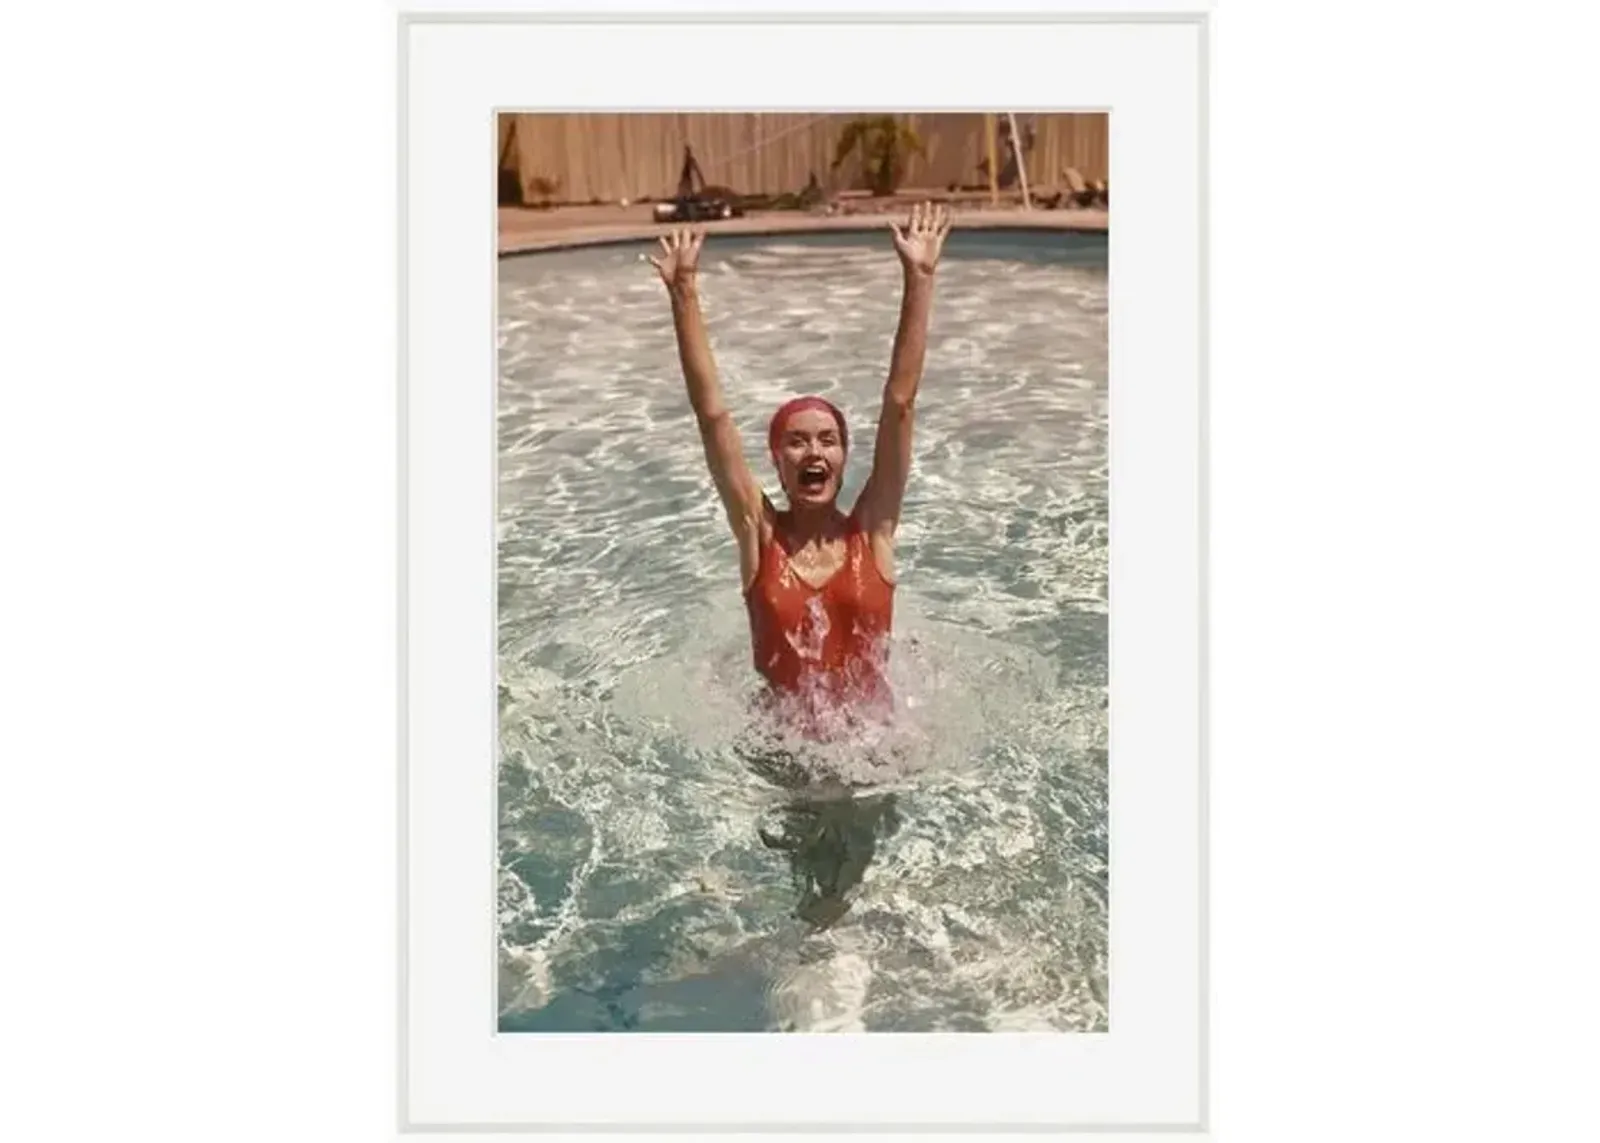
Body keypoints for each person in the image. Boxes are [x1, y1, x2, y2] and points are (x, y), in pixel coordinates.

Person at [648, 202, 953, 743]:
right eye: (797, 441)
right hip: (781, 764)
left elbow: (900, 402)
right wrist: (684, 293)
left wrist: (921, 278)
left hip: (877, 756)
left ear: (842, 457)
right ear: (778, 462)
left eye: (828, 440)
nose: (814, 451)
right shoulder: (757, 533)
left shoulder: (872, 531)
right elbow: (713, 414)